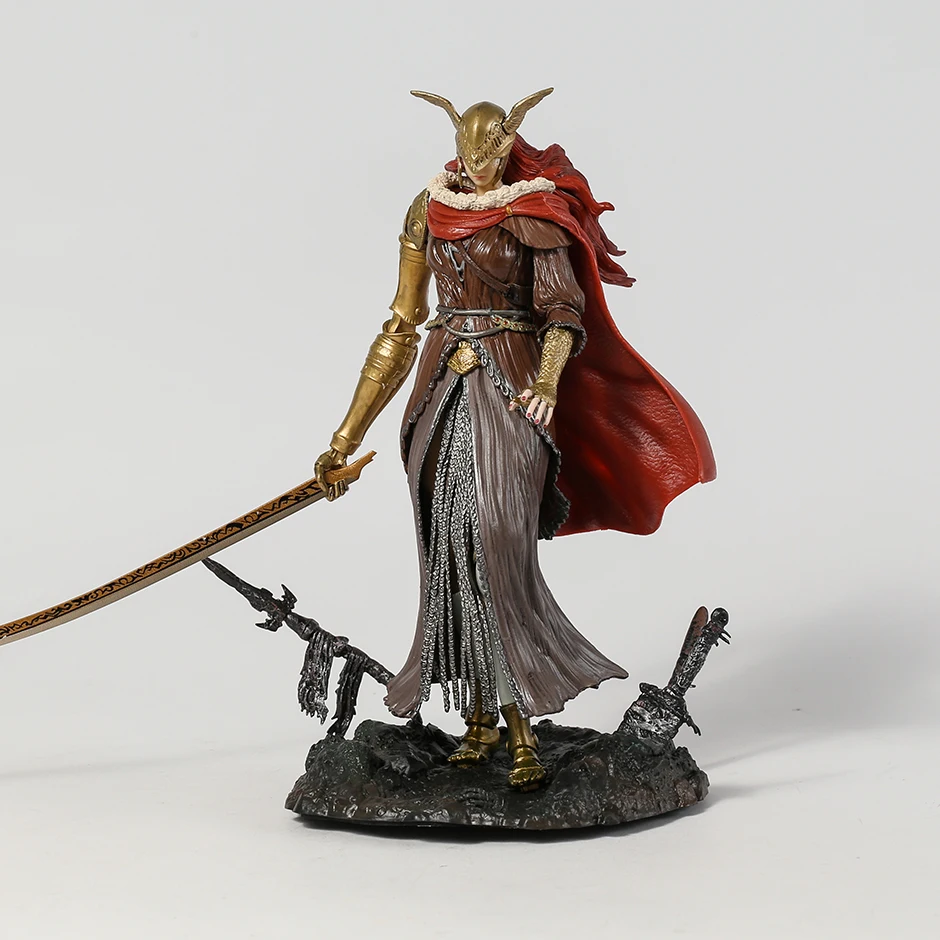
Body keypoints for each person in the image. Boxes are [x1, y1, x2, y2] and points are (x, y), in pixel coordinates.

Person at [315, 88, 715, 791]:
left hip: (514, 386)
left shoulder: (536, 214)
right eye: (466, 151)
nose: (477, 164)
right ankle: (478, 723)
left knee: (498, 540)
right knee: (447, 548)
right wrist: (345, 436)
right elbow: (401, 325)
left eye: (490, 150)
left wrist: (550, 381)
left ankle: (521, 720)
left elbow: (563, 312)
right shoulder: (428, 208)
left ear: (509, 144)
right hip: (441, 389)